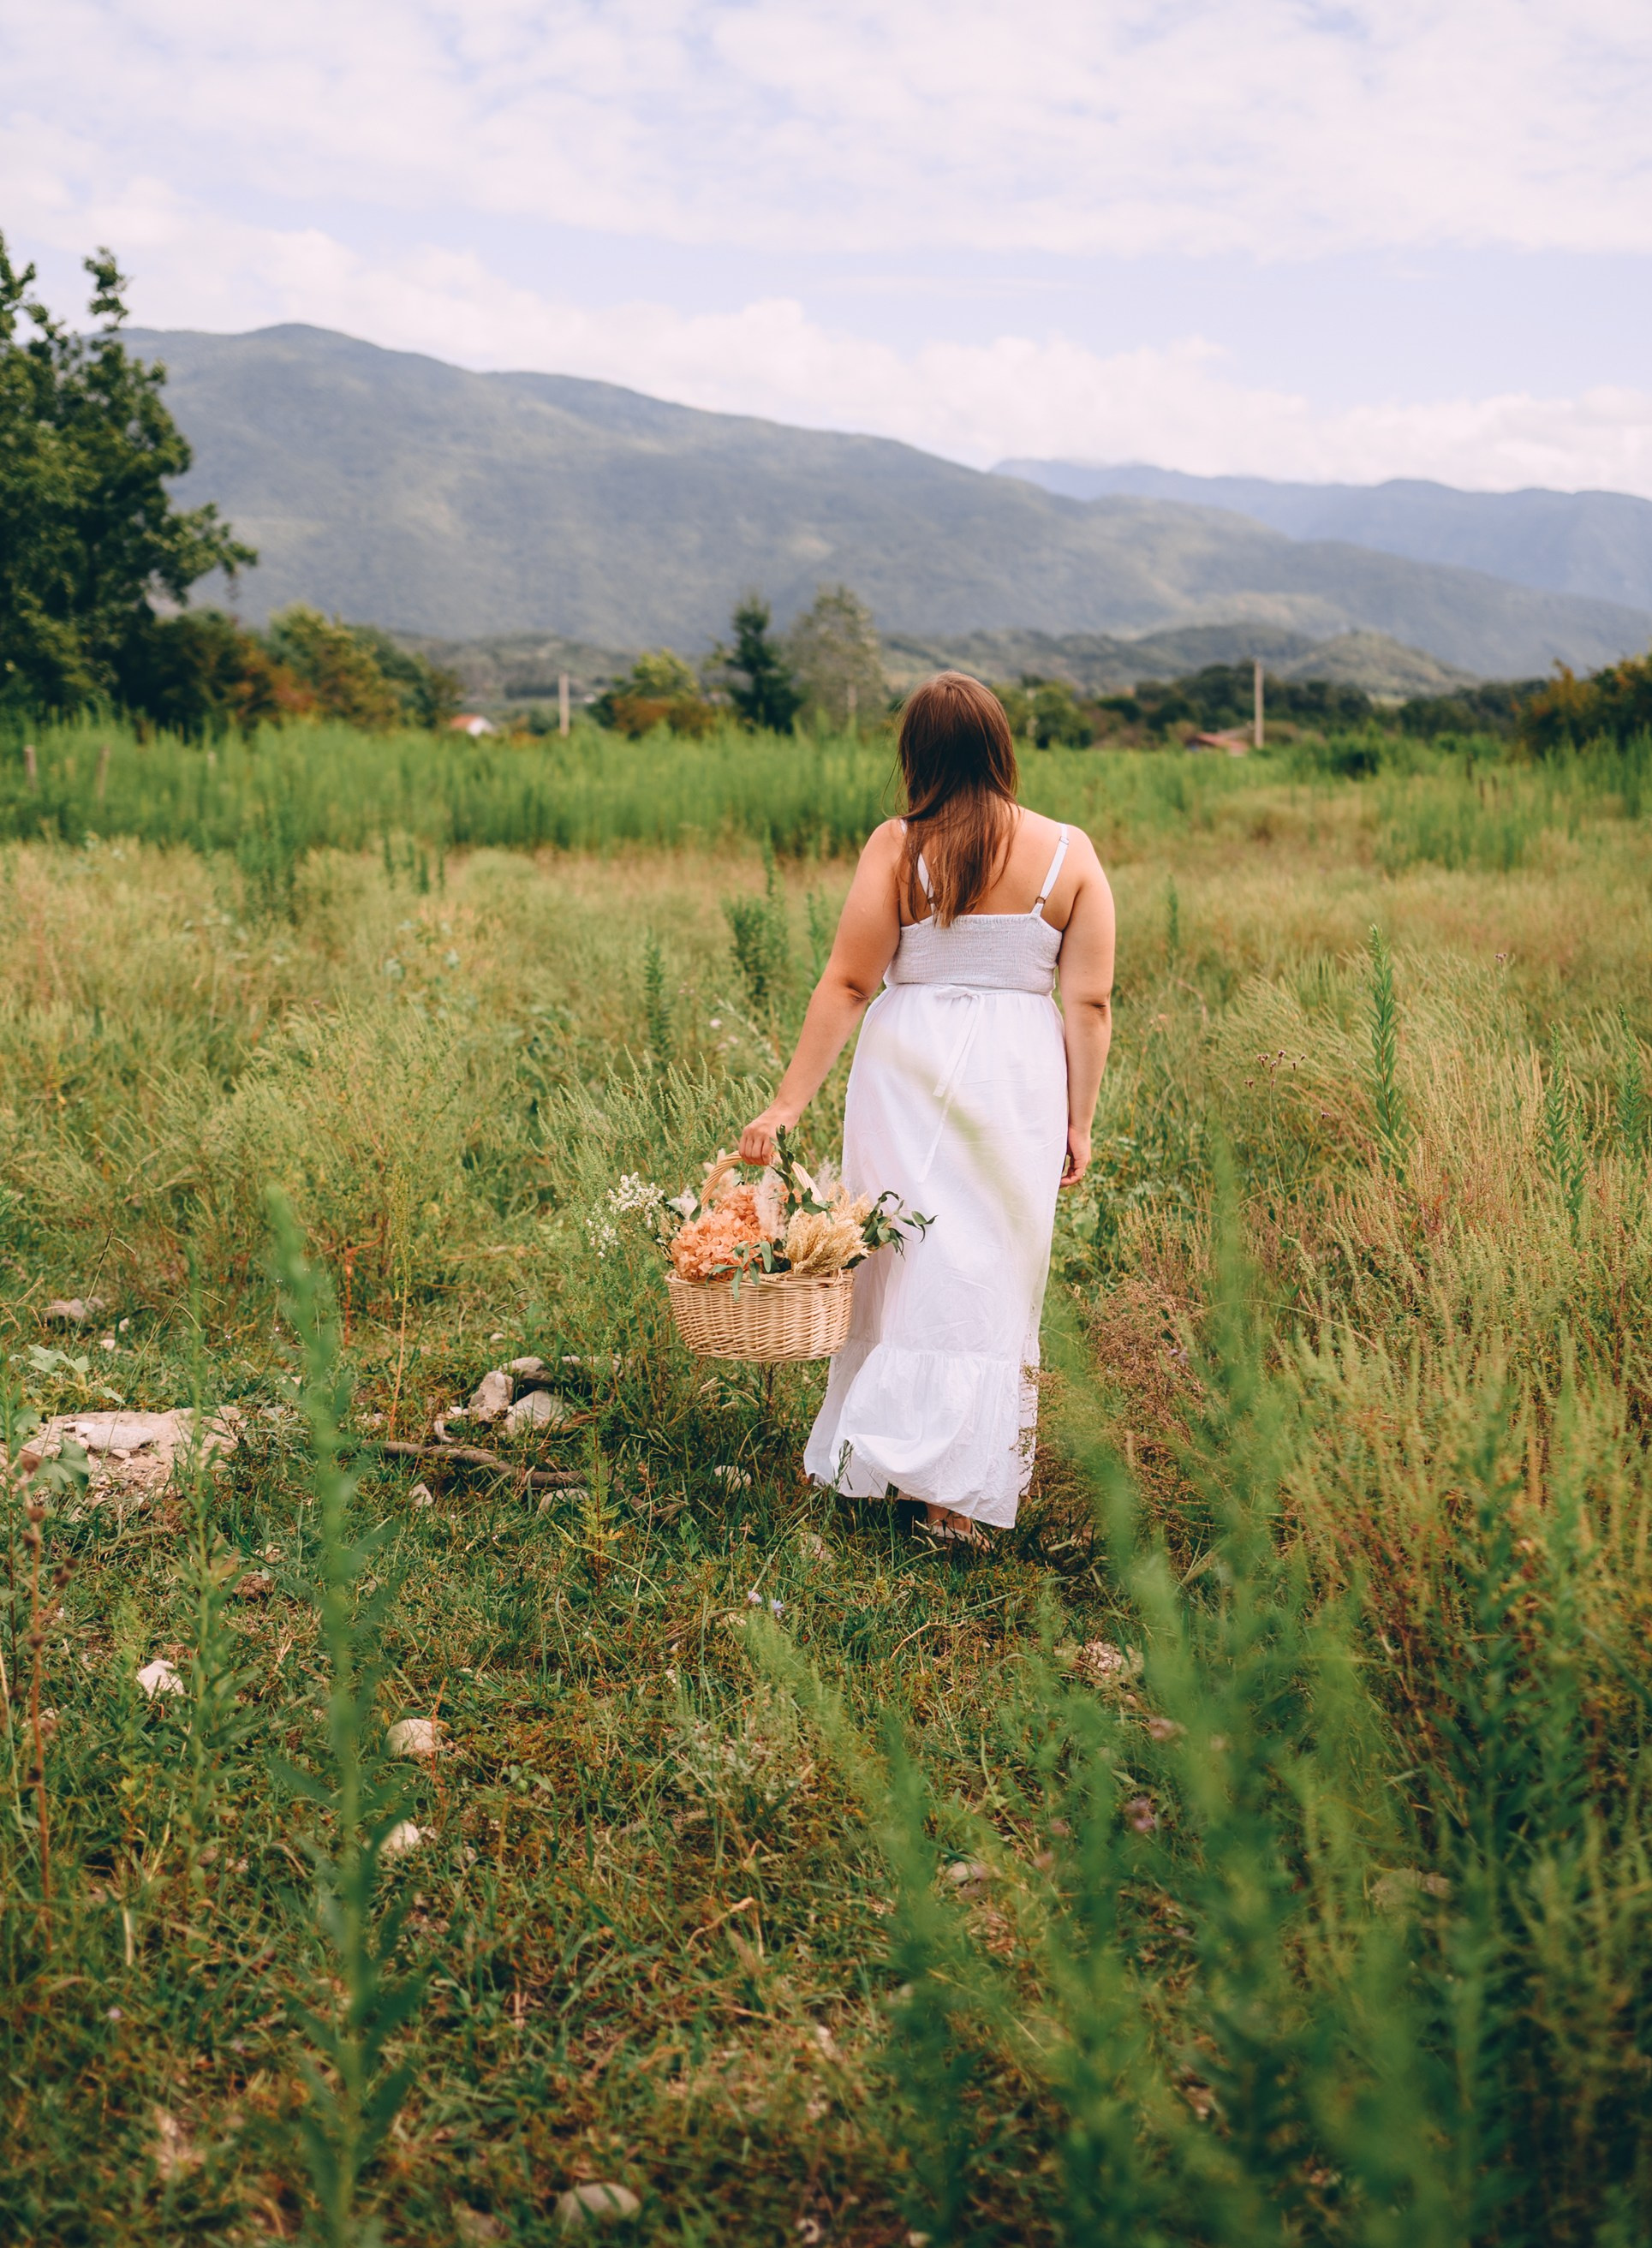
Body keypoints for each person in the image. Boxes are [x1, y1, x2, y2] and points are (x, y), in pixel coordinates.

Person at [740, 671, 1115, 1546]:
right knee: (991, 1265)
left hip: (905, 1068)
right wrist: (1079, 1120)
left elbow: (848, 981)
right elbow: (1090, 1004)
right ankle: (955, 1494)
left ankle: (879, 1459)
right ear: (1000, 747)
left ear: (917, 754)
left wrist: (788, 1104)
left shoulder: (897, 845)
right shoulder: (1069, 853)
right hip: (1017, 1077)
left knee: (900, 1249)